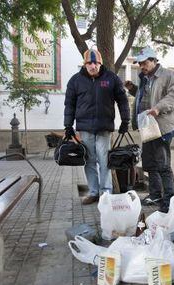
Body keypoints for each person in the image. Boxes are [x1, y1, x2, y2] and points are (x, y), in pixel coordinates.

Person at [64, 49, 130, 204]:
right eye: (89, 63)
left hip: (104, 128)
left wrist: (125, 120)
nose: (93, 66)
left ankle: (106, 193)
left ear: (100, 63)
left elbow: (122, 100)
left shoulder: (112, 78)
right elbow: (69, 105)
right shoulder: (75, 81)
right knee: (89, 160)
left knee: (104, 160)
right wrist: (68, 125)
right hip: (84, 128)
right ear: (85, 64)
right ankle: (93, 192)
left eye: (96, 63)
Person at [124, 46, 174, 212]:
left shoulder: (170, 76)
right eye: (140, 64)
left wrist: (158, 108)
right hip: (147, 125)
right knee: (150, 163)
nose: (142, 66)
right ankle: (155, 194)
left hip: (162, 126)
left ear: (154, 60)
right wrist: (133, 89)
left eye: (144, 63)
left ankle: (170, 198)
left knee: (163, 164)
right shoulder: (146, 78)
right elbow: (146, 97)